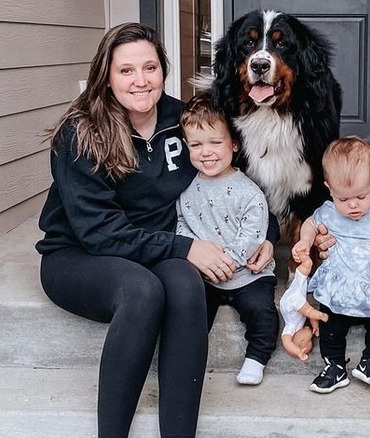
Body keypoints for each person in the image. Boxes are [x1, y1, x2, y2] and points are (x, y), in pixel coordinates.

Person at [35, 23, 277, 437]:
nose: (141, 80)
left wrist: (267, 234)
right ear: (106, 75)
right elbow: (101, 234)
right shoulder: (81, 132)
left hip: (159, 247)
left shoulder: (182, 120)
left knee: (186, 285)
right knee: (144, 291)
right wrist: (185, 247)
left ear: (163, 71)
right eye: (126, 70)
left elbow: (239, 177)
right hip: (80, 255)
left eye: (150, 67)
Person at [292, 136, 370, 394]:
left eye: (361, 196)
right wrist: (305, 240)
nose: (353, 205)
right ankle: (334, 368)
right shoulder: (327, 212)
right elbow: (310, 224)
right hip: (337, 291)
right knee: (330, 327)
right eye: (343, 199)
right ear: (329, 189)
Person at [175, 93, 279, 386]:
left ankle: (257, 357)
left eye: (215, 143)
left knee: (262, 312)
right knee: (190, 310)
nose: (206, 152)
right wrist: (198, 258)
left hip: (247, 273)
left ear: (234, 144)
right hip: (207, 275)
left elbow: (253, 233)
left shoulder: (249, 192)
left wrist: (228, 261)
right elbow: (181, 223)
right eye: (196, 145)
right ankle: (188, 356)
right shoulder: (187, 190)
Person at [279, 245, 329, 361]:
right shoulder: (301, 325)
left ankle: (320, 314)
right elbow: (309, 316)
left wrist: (298, 352)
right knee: (303, 272)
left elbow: (287, 343)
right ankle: (303, 255)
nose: (311, 335)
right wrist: (315, 325)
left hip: (290, 304)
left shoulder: (290, 330)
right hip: (296, 299)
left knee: (309, 310)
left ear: (300, 341)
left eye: (308, 340)